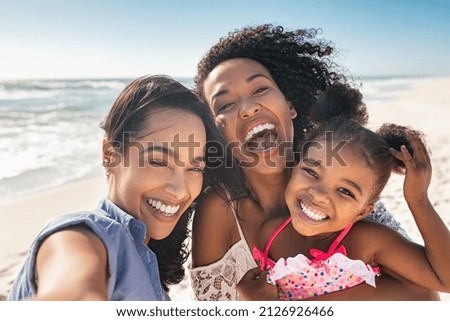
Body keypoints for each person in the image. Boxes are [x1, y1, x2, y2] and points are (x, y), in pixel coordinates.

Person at [189, 24, 438, 300]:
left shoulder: (345, 184)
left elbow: (426, 294)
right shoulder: (219, 211)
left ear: (290, 105)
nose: (248, 108)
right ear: (215, 133)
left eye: (259, 88)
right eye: (224, 105)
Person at [8, 75, 242, 300]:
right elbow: (72, 277)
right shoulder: (85, 236)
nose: (180, 191)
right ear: (110, 155)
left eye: (194, 168)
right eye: (159, 162)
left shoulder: (145, 258)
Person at [252, 84, 450, 300]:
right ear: (294, 166)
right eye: (311, 171)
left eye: (345, 191)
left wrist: (418, 200)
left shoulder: (368, 241)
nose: (319, 194)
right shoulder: (270, 233)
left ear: (363, 211)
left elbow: (444, 281)